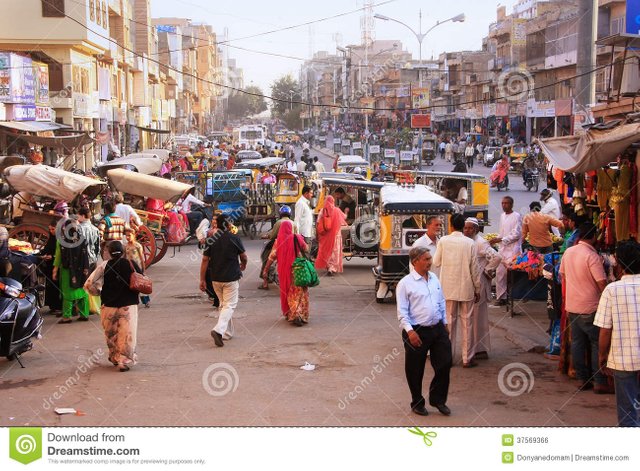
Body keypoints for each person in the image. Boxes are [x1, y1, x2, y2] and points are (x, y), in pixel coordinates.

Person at [397, 246, 452, 417]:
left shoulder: (434, 278)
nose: (430, 262)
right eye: (426, 259)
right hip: (416, 330)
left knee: (444, 363)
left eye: (430, 258)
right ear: (415, 262)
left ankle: (438, 400)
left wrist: (445, 322)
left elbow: (441, 301)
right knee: (415, 369)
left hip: (437, 329)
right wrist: (410, 332)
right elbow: (402, 312)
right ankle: (417, 402)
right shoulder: (405, 284)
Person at [559, 223, 610, 393]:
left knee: (578, 342)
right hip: (590, 306)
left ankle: (582, 378)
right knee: (596, 343)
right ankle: (599, 381)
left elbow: (563, 275)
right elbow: (602, 283)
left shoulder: (569, 252)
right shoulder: (591, 256)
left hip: (573, 305)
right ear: (594, 237)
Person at [594, 241, 640, 426]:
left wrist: (602, 356)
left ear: (618, 264)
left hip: (623, 359)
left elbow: (605, 330)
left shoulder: (612, 290)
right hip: (624, 359)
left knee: (628, 411)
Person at [434, 214, 481, 368]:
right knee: (467, 323)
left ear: (451, 225)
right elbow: (475, 268)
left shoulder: (443, 241)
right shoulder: (470, 243)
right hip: (466, 288)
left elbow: (436, 262)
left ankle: (448, 357)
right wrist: (478, 287)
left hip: (448, 288)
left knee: (449, 323)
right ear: (463, 226)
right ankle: (467, 358)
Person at [199, 214, 248, 347]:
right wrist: (243, 264)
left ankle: (227, 333)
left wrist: (202, 279)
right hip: (231, 278)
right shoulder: (234, 238)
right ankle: (218, 330)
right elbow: (243, 256)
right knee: (229, 305)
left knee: (223, 304)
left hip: (215, 278)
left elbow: (204, 260)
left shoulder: (211, 239)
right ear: (227, 225)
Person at [99, 241, 142, 372]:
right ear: (123, 251)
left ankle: (114, 357)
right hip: (128, 306)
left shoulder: (103, 266)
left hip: (109, 305)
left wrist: (99, 292)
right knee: (127, 334)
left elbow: (90, 284)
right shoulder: (131, 264)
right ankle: (123, 361)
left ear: (109, 252)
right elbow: (142, 278)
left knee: (111, 334)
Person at [463, 218, 502, 360]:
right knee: (472, 318)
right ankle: (475, 348)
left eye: (470, 228)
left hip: (479, 284)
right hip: (472, 284)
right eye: (465, 228)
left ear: (476, 229)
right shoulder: (469, 241)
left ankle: (480, 349)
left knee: (479, 318)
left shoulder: (480, 242)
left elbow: (497, 257)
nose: (467, 231)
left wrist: (487, 271)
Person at [262, 220, 310, 326]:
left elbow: (271, 258)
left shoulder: (278, 241)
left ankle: (293, 314)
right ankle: (301, 314)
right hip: (299, 270)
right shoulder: (296, 238)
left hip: (285, 272)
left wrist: (265, 270)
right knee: (300, 291)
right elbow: (306, 249)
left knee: (289, 292)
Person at [53, 218, 91, 324]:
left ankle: (67, 316)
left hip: (68, 270)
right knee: (82, 291)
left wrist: (55, 270)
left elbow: (58, 257)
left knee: (68, 292)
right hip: (82, 270)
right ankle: (84, 314)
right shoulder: (82, 238)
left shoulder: (61, 240)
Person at [489, 196, 523, 306]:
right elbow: (501, 232)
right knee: (500, 273)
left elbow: (516, 234)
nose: (504, 205)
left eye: (507, 203)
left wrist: (501, 239)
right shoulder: (502, 216)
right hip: (503, 249)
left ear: (511, 204)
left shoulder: (517, 216)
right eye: (502, 203)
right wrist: (496, 240)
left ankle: (511, 296)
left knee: (510, 274)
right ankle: (501, 297)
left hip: (513, 249)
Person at [315, 195, 347, 276]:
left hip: (325, 236)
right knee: (334, 251)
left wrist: (317, 234)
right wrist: (346, 211)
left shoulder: (322, 211)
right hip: (336, 236)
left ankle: (328, 266)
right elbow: (344, 217)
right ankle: (332, 267)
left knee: (326, 250)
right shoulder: (337, 210)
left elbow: (318, 223)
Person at [124, 228, 150, 308]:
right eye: (126, 235)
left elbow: (142, 258)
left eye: (129, 235)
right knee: (131, 284)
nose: (127, 237)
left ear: (134, 235)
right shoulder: (126, 246)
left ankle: (146, 301)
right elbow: (125, 257)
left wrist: (143, 270)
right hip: (129, 267)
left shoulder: (137, 246)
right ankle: (132, 301)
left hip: (137, 267)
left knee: (140, 285)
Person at [40, 224, 62, 315]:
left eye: (53, 229)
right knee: (50, 286)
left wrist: (52, 257)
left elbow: (60, 254)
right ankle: (53, 306)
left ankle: (58, 306)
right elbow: (47, 249)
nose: (51, 231)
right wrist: (44, 255)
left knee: (56, 286)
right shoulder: (51, 239)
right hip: (49, 266)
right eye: (50, 229)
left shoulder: (60, 239)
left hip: (56, 266)